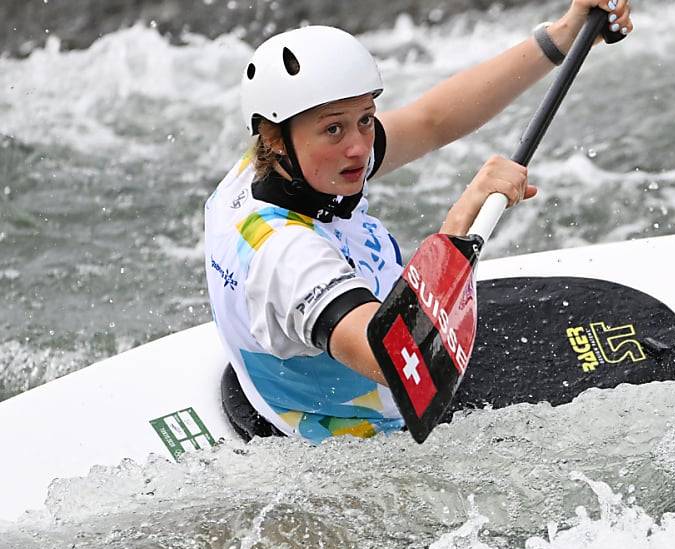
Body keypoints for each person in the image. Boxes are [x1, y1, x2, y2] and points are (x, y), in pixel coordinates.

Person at [204, 0, 633, 443]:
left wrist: (563, 35)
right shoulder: (288, 258)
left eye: (365, 119)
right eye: (334, 129)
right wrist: (461, 223)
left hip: (313, 380)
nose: (358, 147)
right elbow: (410, 365)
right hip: (377, 440)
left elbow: (431, 122)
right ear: (275, 138)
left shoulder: (270, 172)